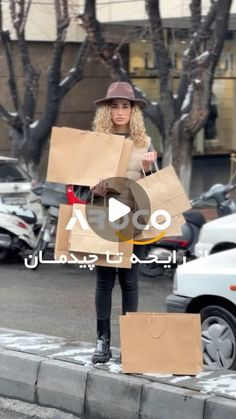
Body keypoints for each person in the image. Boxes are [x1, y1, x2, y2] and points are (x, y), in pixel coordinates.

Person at [89, 81, 157, 364]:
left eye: (125, 106)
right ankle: (102, 342)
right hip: (104, 218)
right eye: (114, 106)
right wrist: (92, 188)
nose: (120, 111)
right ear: (107, 110)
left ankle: (132, 344)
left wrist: (149, 168)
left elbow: (158, 187)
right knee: (104, 282)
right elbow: (77, 182)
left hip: (135, 218)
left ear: (133, 110)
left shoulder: (145, 142)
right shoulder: (95, 142)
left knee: (130, 282)